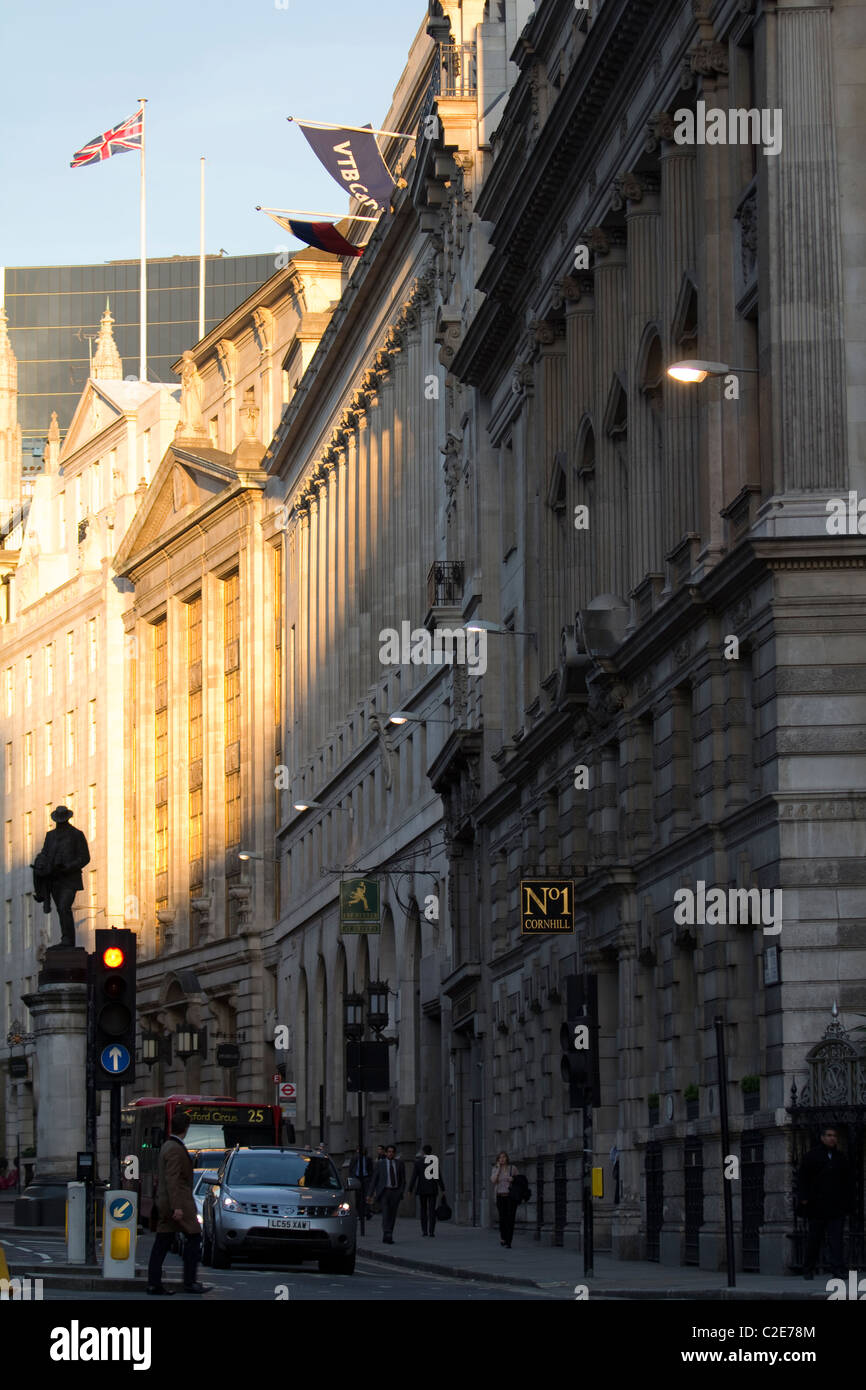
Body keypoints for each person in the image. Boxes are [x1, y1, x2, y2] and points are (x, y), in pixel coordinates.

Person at [147, 1111, 210, 1295]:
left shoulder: (167, 1145)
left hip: (167, 1203)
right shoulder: (174, 1148)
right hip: (177, 1203)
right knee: (194, 1238)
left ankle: (154, 1283)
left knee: (162, 1243)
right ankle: (189, 1282)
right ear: (186, 1128)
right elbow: (173, 1179)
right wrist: (177, 1207)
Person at [798, 1124, 852, 1280]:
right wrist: (804, 1198)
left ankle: (838, 1269)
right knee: (814, 1239)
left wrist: (847, 1203)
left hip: (836, 1206)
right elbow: (802, 1178)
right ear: (822, 1137)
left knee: (836, 1240)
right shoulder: (811, 1156)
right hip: (817, 1206)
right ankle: (808, 1268)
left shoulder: (840, 1157)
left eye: (834, 1136)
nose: (832, 1138)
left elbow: (847, 1181)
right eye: (828, 1135)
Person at [32, 806, 90, 947]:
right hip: (54, 879)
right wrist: (41, 861)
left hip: (69, 879)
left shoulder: (77, 834)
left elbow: (84, 857)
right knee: (60, 909)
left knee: (64, 907)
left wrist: (69, 866)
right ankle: (66, 938)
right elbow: (45, 853)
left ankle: (68, 940)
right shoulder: (50, 836)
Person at [369, 1143, 405, 1244]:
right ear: (386, 1153)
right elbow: (374, 1180)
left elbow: (403, 1179)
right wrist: (370, 1194)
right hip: (385, 1192)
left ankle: (390, 1234)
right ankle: (387, 1233)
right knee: (385, 1214)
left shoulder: (399, 1164)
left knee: (392, 1215)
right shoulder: (380, 1164)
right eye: (389, 1152)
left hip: (395, 1192)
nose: (391, 1154)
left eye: (392, 1152)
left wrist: (401, 1191)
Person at [409, 1143, 444, 1237]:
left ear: (423, 1152)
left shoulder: (418, 1162)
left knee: (423, 1210)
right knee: (432, 1210)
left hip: (422, 1189)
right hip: (432, 1188)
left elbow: (414, 1177)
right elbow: (438, 1177)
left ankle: (424, 1231)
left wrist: (410, 1189)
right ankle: (431, 1232)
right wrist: (442, 1188)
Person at [491, 1151, 518, 1248]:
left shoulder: (512, 1168)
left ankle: (509, 1241)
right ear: (498, 1160)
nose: (502, 1159)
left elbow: (519, 1180)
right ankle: (503, 1237)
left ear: (507, 1158)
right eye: (500, 1158)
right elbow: (493, 1181)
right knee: (502, 1219)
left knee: (510, 1219)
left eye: (504, 1157)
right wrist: (498, 1170)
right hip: (500, 1196)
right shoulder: (495, 1169)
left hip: (510, 1197)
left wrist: (513, 1179)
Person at [349, 1146, 372, 1220]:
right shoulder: (354, 1158)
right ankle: (359, 1213)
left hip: (365, 1178)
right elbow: (351, 1168)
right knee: (358, 1197)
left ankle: (367, 1212)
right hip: (357, 1177)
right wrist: (351, 1178)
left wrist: (370, 1178)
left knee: (367, 1196)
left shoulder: (368, 1159)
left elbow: (370, 1169)